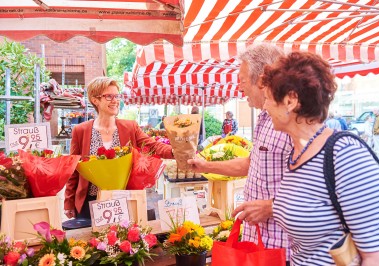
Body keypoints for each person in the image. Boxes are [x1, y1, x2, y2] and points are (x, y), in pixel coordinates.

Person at [260, 51, 379, 265]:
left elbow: (378, 257)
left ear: (290, 100)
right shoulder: (298, 155)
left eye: (268, 99)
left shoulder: (346, 155)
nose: (265, 107)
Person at [188, 44, 292, 262]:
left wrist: (272, 207)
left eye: (243, 80)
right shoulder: (265, 119)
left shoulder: (291, 122)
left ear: (263, 77)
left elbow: (316, 190)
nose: (240, 88)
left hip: (283, 248)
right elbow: (251, 164)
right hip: (258, 241)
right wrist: (206, 166)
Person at [64, 77, 174, 220]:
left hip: (123, 199)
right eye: (109, 96)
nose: (115, 100)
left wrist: (175, 151)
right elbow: (73, 169)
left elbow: (152, 145)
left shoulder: (130, 127)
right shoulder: (81, 130)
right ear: (95, 99)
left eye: (117, 96)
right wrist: (68, 201)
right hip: (89, 202)